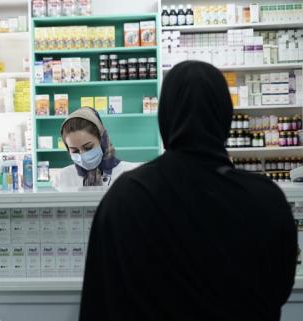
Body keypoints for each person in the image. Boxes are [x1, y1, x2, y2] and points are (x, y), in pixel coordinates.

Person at [79, 61, 297, 321]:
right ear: (225, 115)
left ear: (165, 117)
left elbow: (99, 296)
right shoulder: (265, 198)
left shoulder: (126, 195)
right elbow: (279, 288)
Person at [54, 107, 138, 188]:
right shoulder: (62, 177)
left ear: (102, 141)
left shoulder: (131, 173)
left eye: (88, 147)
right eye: (75, 151)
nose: (82, 155)